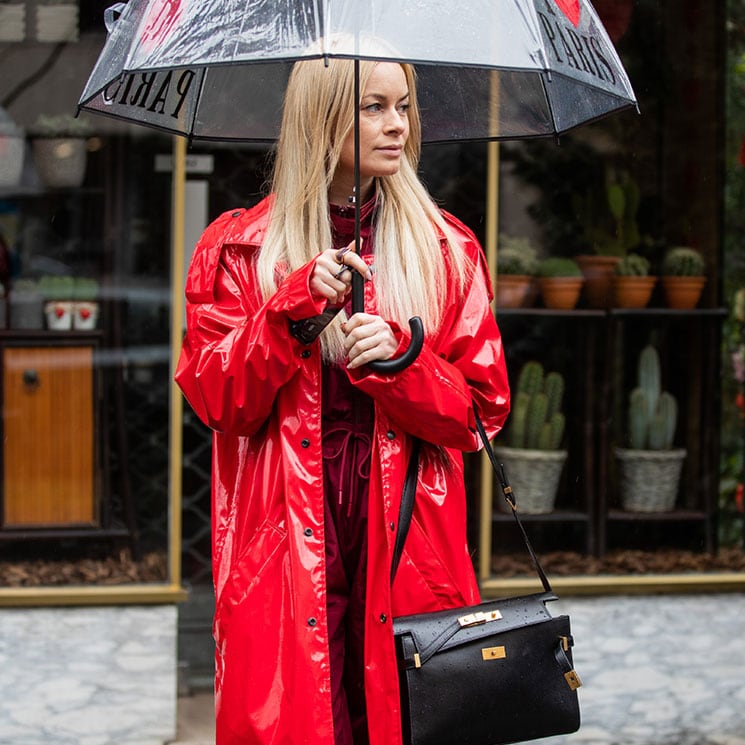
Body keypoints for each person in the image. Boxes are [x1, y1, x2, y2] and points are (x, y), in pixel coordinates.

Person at [175, 56, 510, 745]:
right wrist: (288, 310)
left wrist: (399, 361)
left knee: (401, 715)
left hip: (405, 545)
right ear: (321, 118)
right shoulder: (238, 250)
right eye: (373, 106)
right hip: (285, 543)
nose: (398, 125)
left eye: (404, 105)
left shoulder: (445, 249)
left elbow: (479, 415)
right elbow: (216, 401)